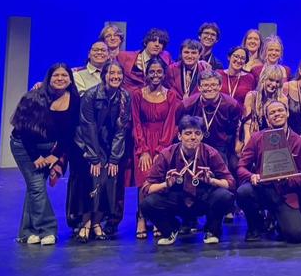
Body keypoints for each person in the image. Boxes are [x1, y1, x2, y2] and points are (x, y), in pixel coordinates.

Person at [10, 63, 80, 245]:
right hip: (24, 146)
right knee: (36, 186)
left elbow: (69, 131)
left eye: (64, 75)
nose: (60, 79)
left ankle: (26, 232)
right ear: (49, 78)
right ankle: (48, 228)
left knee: (35, 189)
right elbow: (24, 131)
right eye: (56, 75)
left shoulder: (73, 98)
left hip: (49, 148)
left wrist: (55, 155)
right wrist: (36, 157)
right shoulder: (36, 96)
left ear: (70, 79)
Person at [141, 115, 235, 245]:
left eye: (197, 133)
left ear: (202, 136)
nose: (193, 137)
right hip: (177, 199)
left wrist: (212, 181)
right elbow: (147, 188)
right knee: (147, 204)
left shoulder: (210, 153)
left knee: (225, 196)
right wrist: (166, 184)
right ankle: (170, 230)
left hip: (202, 198)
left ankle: (212, 231)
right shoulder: (167, 154)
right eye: (188, 133)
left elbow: (230, 183)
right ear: (179, 136)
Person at [71, 60, 131, 241]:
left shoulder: (125, 96)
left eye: (119, 74)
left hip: (109, 145)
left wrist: (114, 158)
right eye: (111, 73)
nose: (115, 77)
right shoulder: (90, 96)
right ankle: (85, 222)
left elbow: (122, 130)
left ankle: (97, 222)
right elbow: (87, 127)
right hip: (88, 145)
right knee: (92, 179)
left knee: (108, 181)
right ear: (104, 75)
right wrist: (94, 158)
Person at [236, 100, 301, 243]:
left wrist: (287, 178)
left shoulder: (300, 142)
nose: (277, 114)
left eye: (280, 111)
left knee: (296, 235)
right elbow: (240, 167)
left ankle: (275, 220)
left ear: (287, 113)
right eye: (272, 113)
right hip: (262, 189)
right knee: (243, 192)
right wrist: (252, 176)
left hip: (285, 194)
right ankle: (255, 226)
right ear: (267, 118)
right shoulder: (257, 138)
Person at [129, 57, 181, 239]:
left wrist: (161, 151)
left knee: (162, 182)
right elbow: (136, 122)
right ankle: (141, 218)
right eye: (152, 71)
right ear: (146, 73)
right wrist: (142, 149)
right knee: (144, 182)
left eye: (159, 72)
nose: (155, 75)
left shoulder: (171, 95)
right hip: (142, 143)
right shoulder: (137, 94)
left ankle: (159, 219)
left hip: (164, 145)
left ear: (164, 74)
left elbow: (171, 123)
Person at [176, 71, 242, 171]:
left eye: (214, 85)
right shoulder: (187, 105)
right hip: (193, 146)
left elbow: (232, 130)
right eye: (205, 85)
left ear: (220, 86)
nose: (210, 88)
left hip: (220, 147)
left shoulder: (232, 105)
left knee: (223, 178)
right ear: (199, 87)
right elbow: (179, 127)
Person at [117, 28, 173, 93]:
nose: (157, 44)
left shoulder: (166, 57)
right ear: (145, 42)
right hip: (132, 97)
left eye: (160, 42)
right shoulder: (126, 57)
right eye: (153, 41)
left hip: (154, 97)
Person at [241, 64, 288, 141]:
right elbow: (247, 126)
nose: (274, 84)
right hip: (253, 140)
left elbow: (284, 127)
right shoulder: (252, 97)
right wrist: (249, 147)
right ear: (263, 79)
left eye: (277, 81)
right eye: (271, 80)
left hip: (274, 140)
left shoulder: (282, 100)